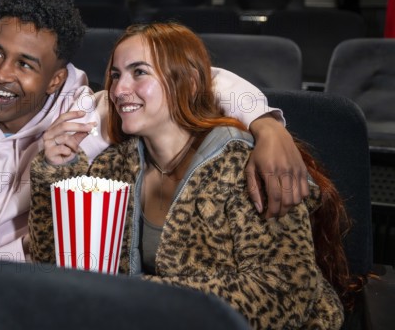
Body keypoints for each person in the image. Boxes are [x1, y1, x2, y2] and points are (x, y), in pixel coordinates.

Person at [0, 0, 307, 268]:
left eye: (25, 64)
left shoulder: (87, 120)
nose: (1, 74)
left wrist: (267, 125)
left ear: (56, 79)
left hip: (32, 296)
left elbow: (191, 77)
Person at [28, 22, 354, 329]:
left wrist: (138, 297)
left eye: (139, 72)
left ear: (189, 83)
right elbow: (54, 267)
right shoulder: (113, 168)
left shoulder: (243, 166)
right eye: (115, 75)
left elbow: (286, 293)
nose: (118, 89)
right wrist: (55, 173)